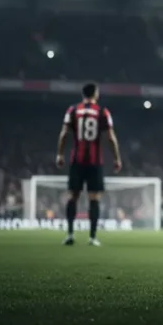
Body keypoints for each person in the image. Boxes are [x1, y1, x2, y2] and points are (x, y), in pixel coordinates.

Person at [56, 82, 122, 246]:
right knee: (94, 198)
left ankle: (70, 234)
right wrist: (116, 158)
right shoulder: (102, 112)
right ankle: (92, 237)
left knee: (73, 196)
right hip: (95, 162)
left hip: (76, 160)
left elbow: (64, 133)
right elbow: (111, 138)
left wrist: (59, 154)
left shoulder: (72, 110)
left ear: (82, 94)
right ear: (96, 94)